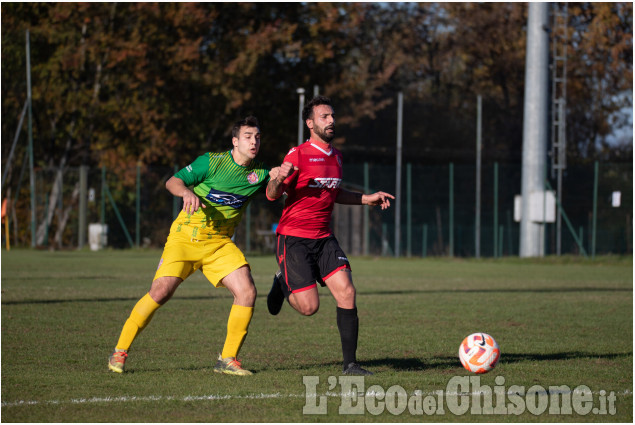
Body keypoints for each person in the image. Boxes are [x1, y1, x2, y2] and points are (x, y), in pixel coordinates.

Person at [108, 116, 270, 376]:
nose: (254, 141)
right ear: (235, 141)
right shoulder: (212, 161)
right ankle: (120, 351)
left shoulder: (260, 173)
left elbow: (275, 192)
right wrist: (186, 192)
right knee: (160, 292)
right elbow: (172, 181)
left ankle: (227, 359)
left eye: (258, 137)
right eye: (248, 136)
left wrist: (280, 177)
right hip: (185, 238)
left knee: (247, 292)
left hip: (219, 244)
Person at [265, 96, 394, 375]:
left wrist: (366, 199)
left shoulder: (336, 156)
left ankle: (350, 365)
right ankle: (281, 281)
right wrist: (277, 178)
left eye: (332, 115)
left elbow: (335, 193)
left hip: (324, 238)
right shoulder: (297, 154)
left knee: (347, 291)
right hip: (294, 238)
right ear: (310, 123)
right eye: (324, 116)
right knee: (310, 307)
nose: (331, 120)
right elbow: (272, 194)